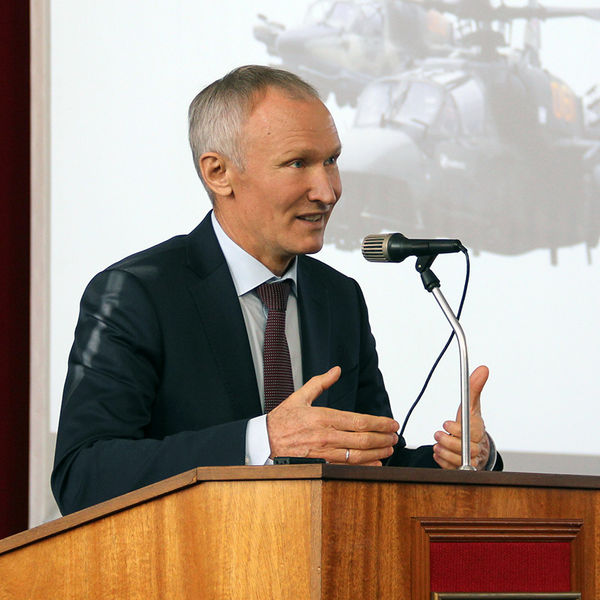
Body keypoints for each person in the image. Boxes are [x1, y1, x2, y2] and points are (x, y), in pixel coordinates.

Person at [52, 65, 500, 516]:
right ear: (218, 172)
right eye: (298, 163)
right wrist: (263, 440)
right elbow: (83, 475)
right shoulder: (136, 294)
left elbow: (373, 462)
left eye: (331, 160)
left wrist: (463, 461)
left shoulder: (339, 297)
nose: (327, 191)